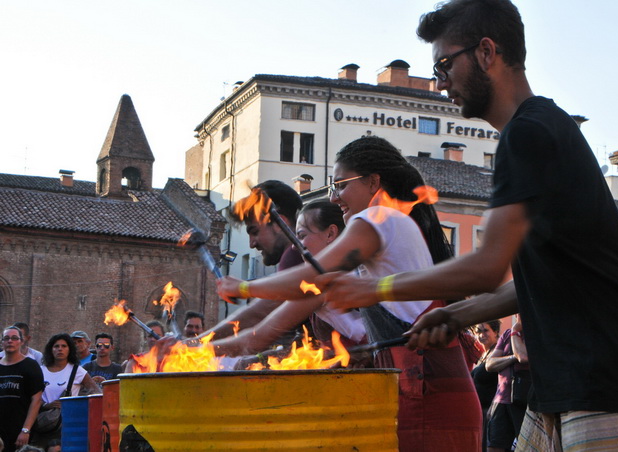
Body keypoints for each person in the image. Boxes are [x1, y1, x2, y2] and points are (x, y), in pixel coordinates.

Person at [318, 1, 618, 450]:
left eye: (445, 64)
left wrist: (378, 289)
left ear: (487, 52)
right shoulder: (536, 130)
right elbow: (547, 280)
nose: (439, 80)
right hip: (572, 377)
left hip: (607, 376)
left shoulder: (528, 133)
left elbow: (488, 267)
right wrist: (458, 312)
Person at [216, 136, 482, 451]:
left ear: (373, 182)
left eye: (341, 185)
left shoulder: (377, 218)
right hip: (426, 393)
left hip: (429, 398)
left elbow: (308, 280)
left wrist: (243, 287)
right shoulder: (390, 225)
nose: (333, 196)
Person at [209, 200, 367, 360]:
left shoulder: (323, 281)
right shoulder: (338, 272)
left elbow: (255, 337)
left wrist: (191, 350)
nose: (294, 246)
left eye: (302, 236)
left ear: (330, 233)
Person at [197, 180, 306, 346]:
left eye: (254, 232)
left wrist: (195, 344)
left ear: (279, 223)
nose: (251, 244)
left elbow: (259, 313)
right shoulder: (297, 255)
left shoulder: (294, 254)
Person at [485, 316, 529, 452]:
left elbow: (523, 356)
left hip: (524, 400)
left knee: (525, 446)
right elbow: (489, 364)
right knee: (494, 445)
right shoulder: (506, 334)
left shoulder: (535, 331)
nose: (518, 316)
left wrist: (515, 331)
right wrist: (512, 358)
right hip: (502, 400)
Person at [0, 326, 44, 452]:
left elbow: (36, 400)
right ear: (2, 341)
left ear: (21, 341)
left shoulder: (30, 365)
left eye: (14, 338)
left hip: (20, 427)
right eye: (6, 338)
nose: (10, 341)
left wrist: (25, 430)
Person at [471, 320, 500, 452]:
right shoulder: (483, 355)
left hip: (490, 411)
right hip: (479, 411)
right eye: (478, 331)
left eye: (485, 330)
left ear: (496, 332)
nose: (482, 334)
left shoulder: (499, 352)